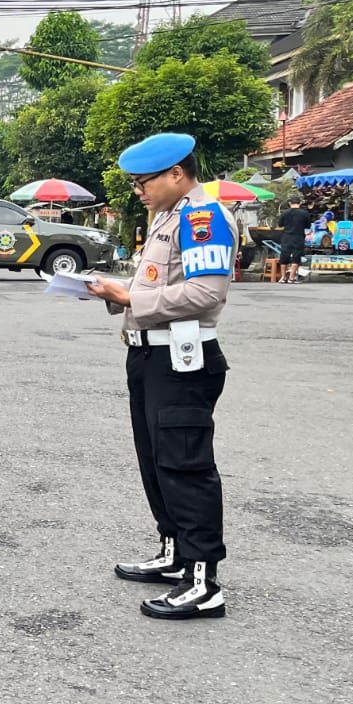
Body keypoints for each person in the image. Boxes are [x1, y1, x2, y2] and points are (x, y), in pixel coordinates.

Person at [88, 133, 234, 621]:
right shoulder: (166, 218)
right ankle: (174, 552)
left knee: (185, 466)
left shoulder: (202, 217)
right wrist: (115, 290)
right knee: (155, 461)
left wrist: (133, 300)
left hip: (182, 362)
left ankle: (203, 581)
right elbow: (159, 284)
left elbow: (205, 294)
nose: (138, 191)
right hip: (150, 357)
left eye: (142, 182)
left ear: (177, 173)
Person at [278, 195, 313, 284]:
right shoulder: (304, 213)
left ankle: (283, 277)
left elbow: (280, 224)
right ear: (300, 203)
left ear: (290, 203)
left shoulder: (284, 213)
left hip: (286, 236)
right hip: (298, 237)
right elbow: (308, 226)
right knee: (296, 257)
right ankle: (291, 278)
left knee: (284, 256)